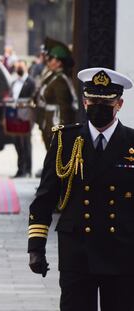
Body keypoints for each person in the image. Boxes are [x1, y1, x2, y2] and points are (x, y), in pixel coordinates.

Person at [28, 67, 134, 311]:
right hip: (77, 251)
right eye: (93, 101)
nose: (98, 106)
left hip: (122, 252)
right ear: (85, 102)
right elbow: (45, 197)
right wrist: (36, 247)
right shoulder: (66, 140)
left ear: (119, 104)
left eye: (105, 102)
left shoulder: (131, 143)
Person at [36, 41, 78, 151]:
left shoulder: (60, 81)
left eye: (50, 59)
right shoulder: (52, 77)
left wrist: (63, 130)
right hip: (49, 123)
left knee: (56, 158)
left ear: (59, 62)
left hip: (56, 124)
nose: (48, 62)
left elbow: (64, 107)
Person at [10, 60, 36, 178]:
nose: (18, 68)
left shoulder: (31, 82)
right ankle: (20, 169)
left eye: (21, 66)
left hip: (26, 116)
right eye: (17, 66)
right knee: (17, 143)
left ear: (26, 67)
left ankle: (28, 169)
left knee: (25, 142)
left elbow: (33, 100)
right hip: (15, 116)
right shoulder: (14, 82)